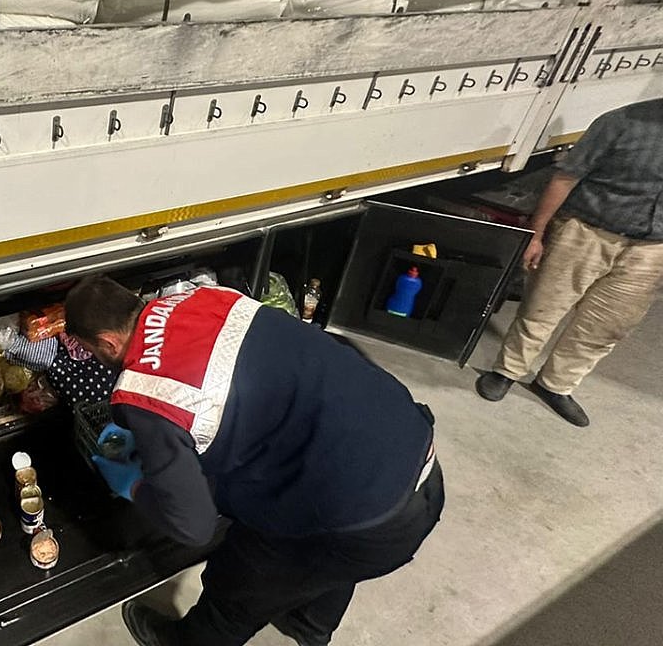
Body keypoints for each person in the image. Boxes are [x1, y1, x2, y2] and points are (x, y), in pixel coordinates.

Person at [65, 275, 442, 646]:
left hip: (370, 522)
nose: (94, 359)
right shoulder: (205, 298)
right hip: (411, 448)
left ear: (107, 342)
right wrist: (162, 436)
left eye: (90, 351)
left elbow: (194, 526)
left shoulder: (143, 392)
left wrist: (134, 486)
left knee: (241, 582)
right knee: (327, 562)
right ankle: (310, 625)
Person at [475, 99, 663, 427]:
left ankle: (556, 385)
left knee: (606, 327)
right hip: (585, 231)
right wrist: (536, 234)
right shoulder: (620, 122)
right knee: (542, 309)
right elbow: (565, 178)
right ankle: (507, 371)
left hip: (651, 249)